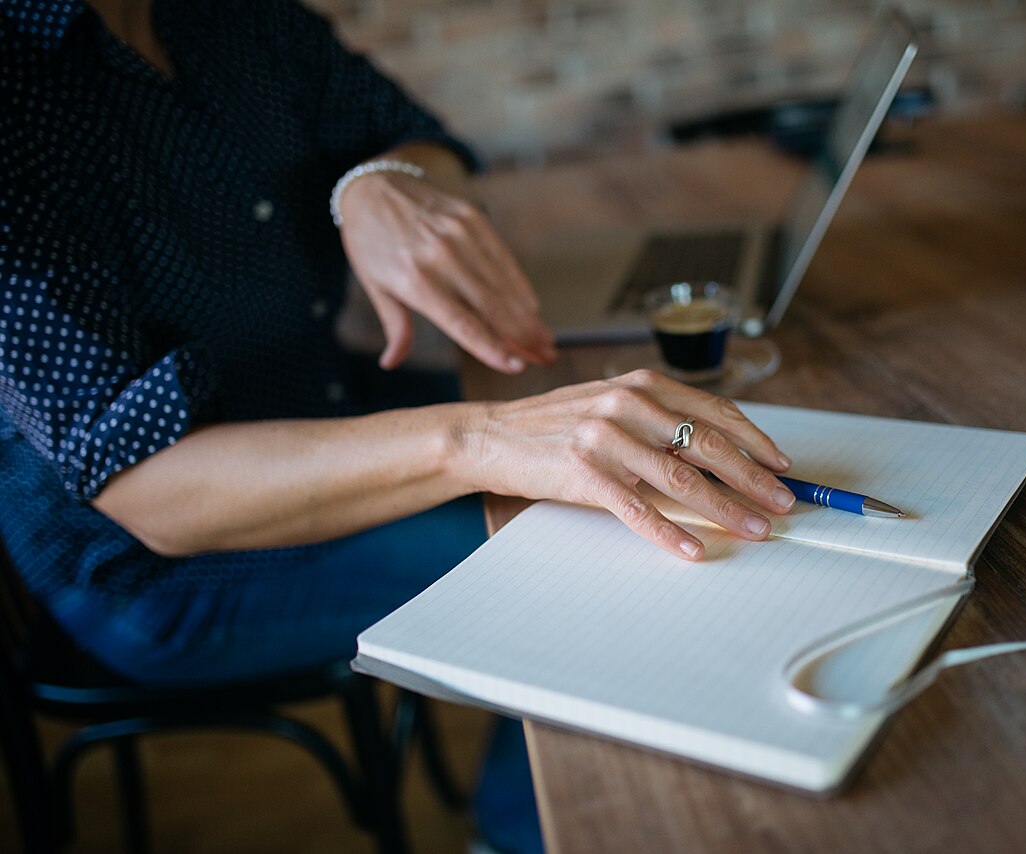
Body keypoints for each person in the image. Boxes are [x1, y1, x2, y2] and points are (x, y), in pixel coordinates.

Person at [0, 1, 797, 851]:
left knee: (615, 496)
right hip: (153, 571)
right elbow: (156, 493)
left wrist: (381, 185)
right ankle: (517, 835)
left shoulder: (235, 19)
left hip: (326, 413)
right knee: (604, 564)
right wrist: (484, 439)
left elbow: (425, 144)